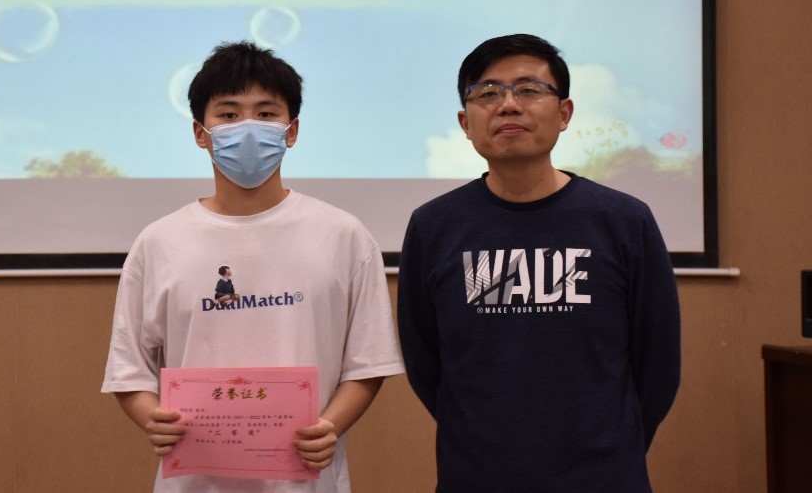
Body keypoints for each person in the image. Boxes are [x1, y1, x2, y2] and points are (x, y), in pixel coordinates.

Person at [103, 40, 404, 493]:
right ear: (200, 133)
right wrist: (152, 418)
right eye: (228, 114)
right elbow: (129, 368)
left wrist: (330, 426)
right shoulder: (159, 242)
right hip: (194, 482)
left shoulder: (344, 235)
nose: (247, 128)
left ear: (291, 130)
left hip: (306, 481)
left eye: (265, 114)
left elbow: (368, 362)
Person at [397, 34, 681, 492]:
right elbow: (425, 362)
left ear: (564, 113)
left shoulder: (624, 220)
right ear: (465, 122)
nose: (508, 105)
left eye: (529, 90)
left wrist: (614, 447)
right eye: (488, 93)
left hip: (604, 478)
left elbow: (658, 363)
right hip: (476, 478)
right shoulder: (433, 226)